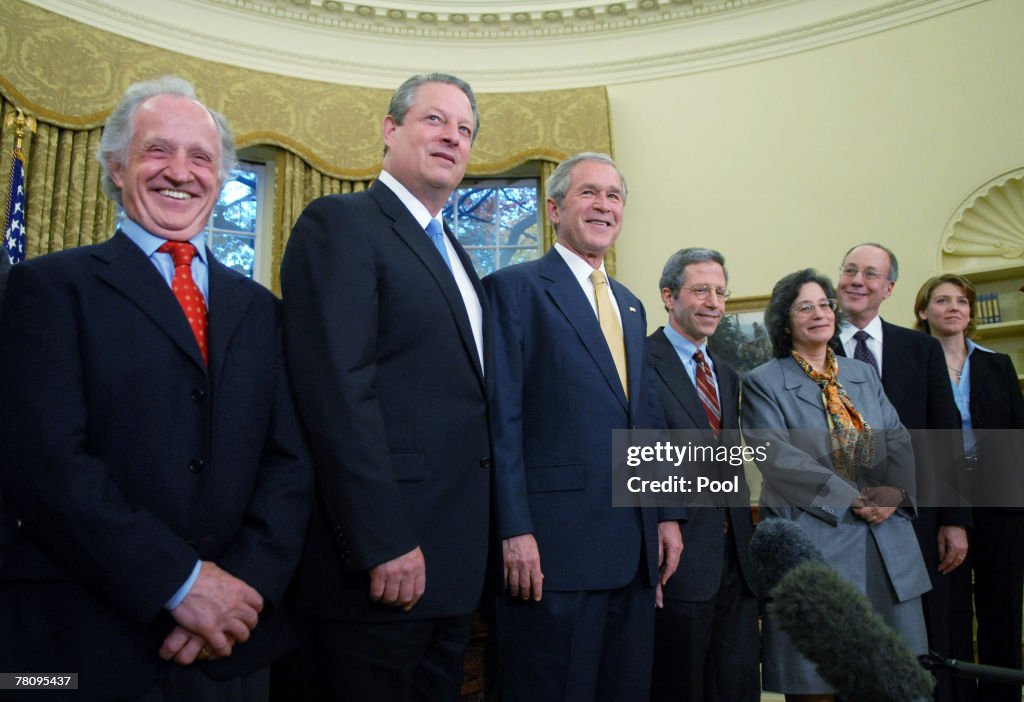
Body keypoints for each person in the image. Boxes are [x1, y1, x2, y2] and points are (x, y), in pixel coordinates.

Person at [0, 76, 312, 701]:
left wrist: (237, 591)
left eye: (201, 157)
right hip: (76, 650)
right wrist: (179, 583)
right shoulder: (47, 290)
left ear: (221, 178)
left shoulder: (263, 309)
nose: (181, 172)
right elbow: (47, 465)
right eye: (157, 151)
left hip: (231, 646)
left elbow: (290, 465)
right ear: (116, 167)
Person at [278, 73, 490, 702]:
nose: (452, 137)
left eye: (465, 130)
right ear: (390, 129)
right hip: (382, 567)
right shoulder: (340, 223)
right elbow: (335, 394)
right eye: (435, 120)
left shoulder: (456, 250)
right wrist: (383, 540)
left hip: (453, 568)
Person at [485, 152, 683, 702]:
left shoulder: (633, 305)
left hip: (634, 551)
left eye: (614, 195)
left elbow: (645, 418)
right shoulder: (513, 289)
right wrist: (513, 529)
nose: (604, 205)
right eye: (588, 193)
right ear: (553, 208)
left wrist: (667, 515)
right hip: (552, 551)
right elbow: (502, 418)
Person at [743, 268, 930, 702]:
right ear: (783, 321)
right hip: (815, 542)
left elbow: (898, 437)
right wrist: (855, 498)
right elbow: (776, 457)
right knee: (816, 682)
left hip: (885, 542)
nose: (818, 313)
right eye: (803, 307)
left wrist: (896, 493)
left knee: (891, 678)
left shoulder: (861, 374)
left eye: (824, 304)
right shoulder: (763, 382)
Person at [835, 243, 973, 702]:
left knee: (925, 646)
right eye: (850, 270)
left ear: (889, 287)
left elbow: (945, 436)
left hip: (918, 519)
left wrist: (954, 519)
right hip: (841, 522)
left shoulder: (921, 349)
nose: (857, 280)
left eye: (870, 274)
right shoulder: (811, 344)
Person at [647, 247, 759, 702]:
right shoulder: (639, 360)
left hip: (736, 559)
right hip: (679, 559)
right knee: (681, 687)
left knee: (735, 687)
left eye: (720, 292)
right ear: (669, 296)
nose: (713, 302)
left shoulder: (726, 373)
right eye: (700, 291)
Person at [914, 274, 1024, 702]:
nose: (954, 308)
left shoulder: (997, 363)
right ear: (924, 311)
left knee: (1003, 607)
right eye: (942, 300)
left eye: (962, 301)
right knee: (950, 610)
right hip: (942, 499)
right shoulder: (915, 365)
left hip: (1001, 502)